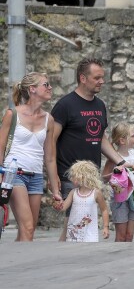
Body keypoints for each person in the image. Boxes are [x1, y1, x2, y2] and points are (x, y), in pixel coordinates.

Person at [51, 58, 129, 241]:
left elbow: (100, 138)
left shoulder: (100, 105)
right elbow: (50, 142)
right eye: (97, 77)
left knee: (83, 221)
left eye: (102, 77)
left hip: (92, 177)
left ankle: (72, 256)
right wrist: (52, 176)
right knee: (72, 220)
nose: (102, 81)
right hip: (71, 175)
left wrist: (121, 162)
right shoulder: (65, 105)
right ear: (83, 78)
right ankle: (64, 256)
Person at [0, 72, 61, 241]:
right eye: (46, 85)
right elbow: (0, 147)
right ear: (32, 89)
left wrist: (55, 190)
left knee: (29, 230)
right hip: (14, 174)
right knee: (27, 226)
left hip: (35, 176)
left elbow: (49, 157)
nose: (50, 88)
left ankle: (16, 262)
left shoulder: (49, 119)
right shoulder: (12, 114)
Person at [102, 122, 134, 242]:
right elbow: (104, 177)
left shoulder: (132, 154)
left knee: (129, 235)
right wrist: (116, 172)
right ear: (122, 140)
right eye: (133, 136)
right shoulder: (114, 157)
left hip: (133, 196)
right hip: (119, 197)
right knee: (121, 236)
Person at [53, 160, 109, 242]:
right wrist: (57, 204)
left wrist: (106, 227)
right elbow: (63, 207)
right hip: (73, 231)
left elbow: (104, 210)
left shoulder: (96, 193)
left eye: (73, 176)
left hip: (90, 231)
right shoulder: (73, 192)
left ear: (82, 177)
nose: (71, 179)